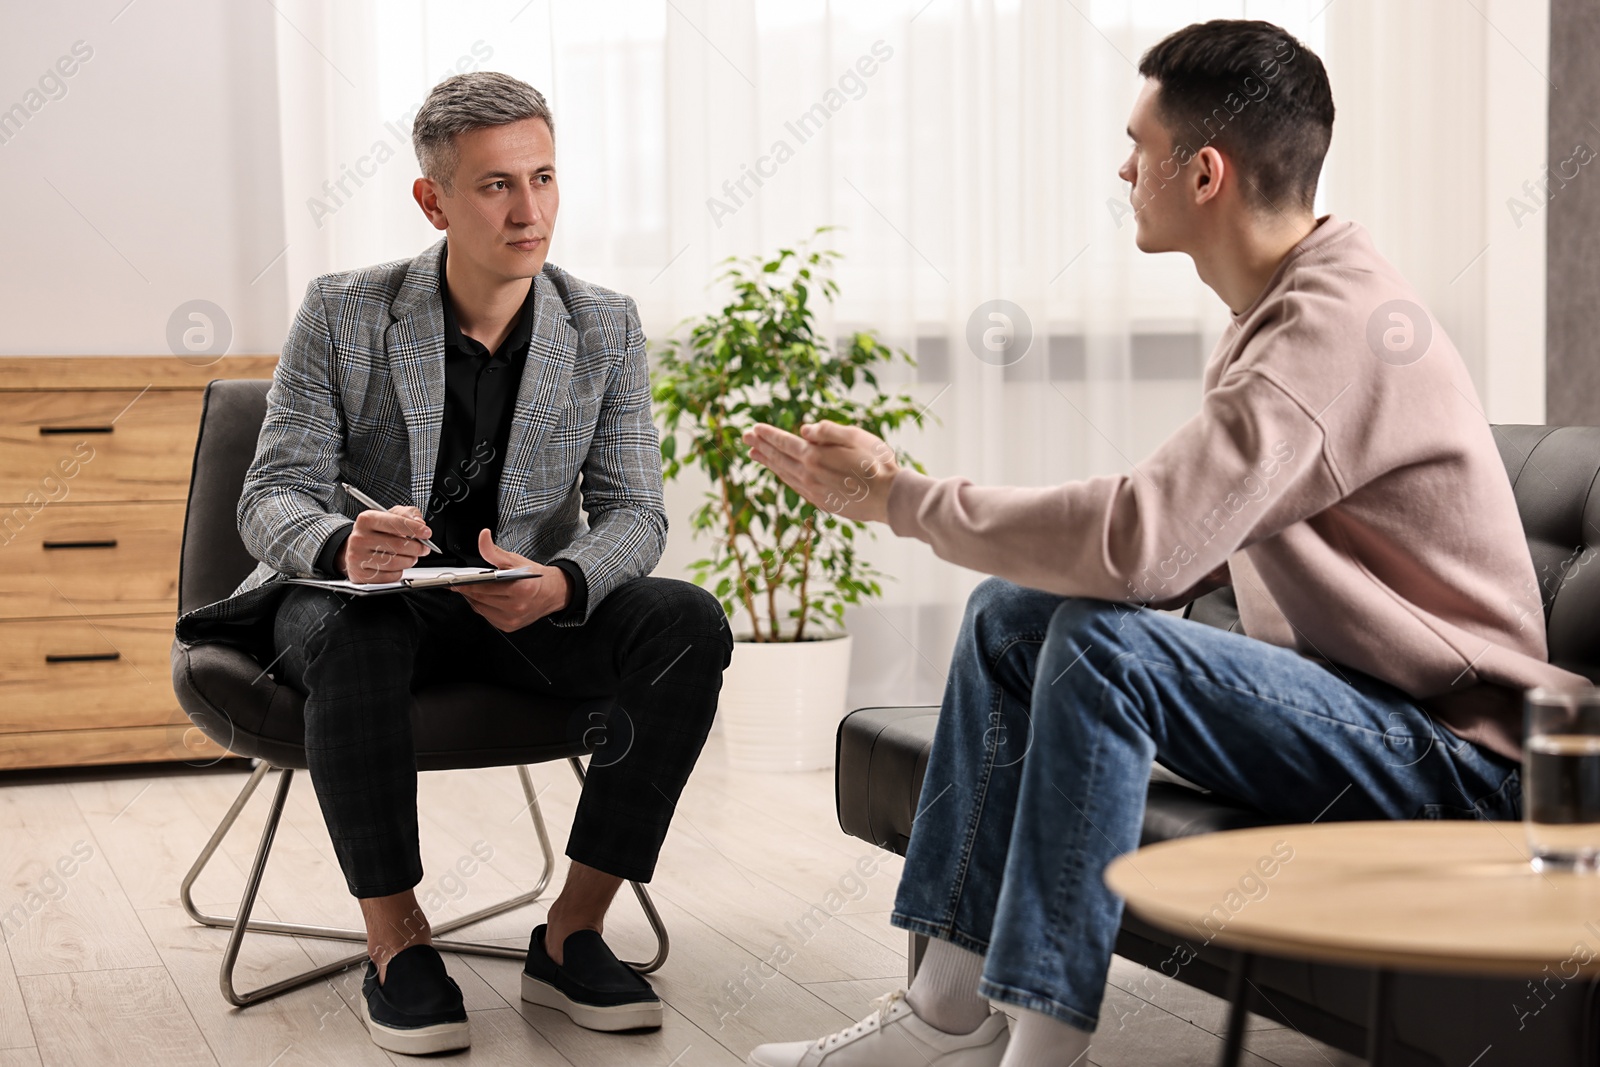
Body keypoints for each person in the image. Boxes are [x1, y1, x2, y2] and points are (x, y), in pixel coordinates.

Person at [741, 19, 1587, 1067]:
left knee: (1106, 647)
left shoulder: (1324, 330)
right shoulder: (1284, 303)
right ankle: (947, 1013)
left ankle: (1045, 1046)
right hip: (1359, 710)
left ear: (1203, 173)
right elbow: (1173, 535)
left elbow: (1142, 542)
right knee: (1012, 617)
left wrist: (899, 496)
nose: (1120, 164)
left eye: (1136, 142)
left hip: (1454, 760)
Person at [178, 71, 732, 1056]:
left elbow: (636, 510)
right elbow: (272, 494)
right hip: (363, 604)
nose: (531, 211)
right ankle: (397, 941)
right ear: (433, 200)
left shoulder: (601, 323)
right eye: (495, 186)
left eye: (545, 177)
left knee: (687, 619)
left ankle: (572, 931)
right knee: (361, 621)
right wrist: (338, 543)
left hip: (520, 608)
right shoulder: (346, 310)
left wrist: (562, 582)